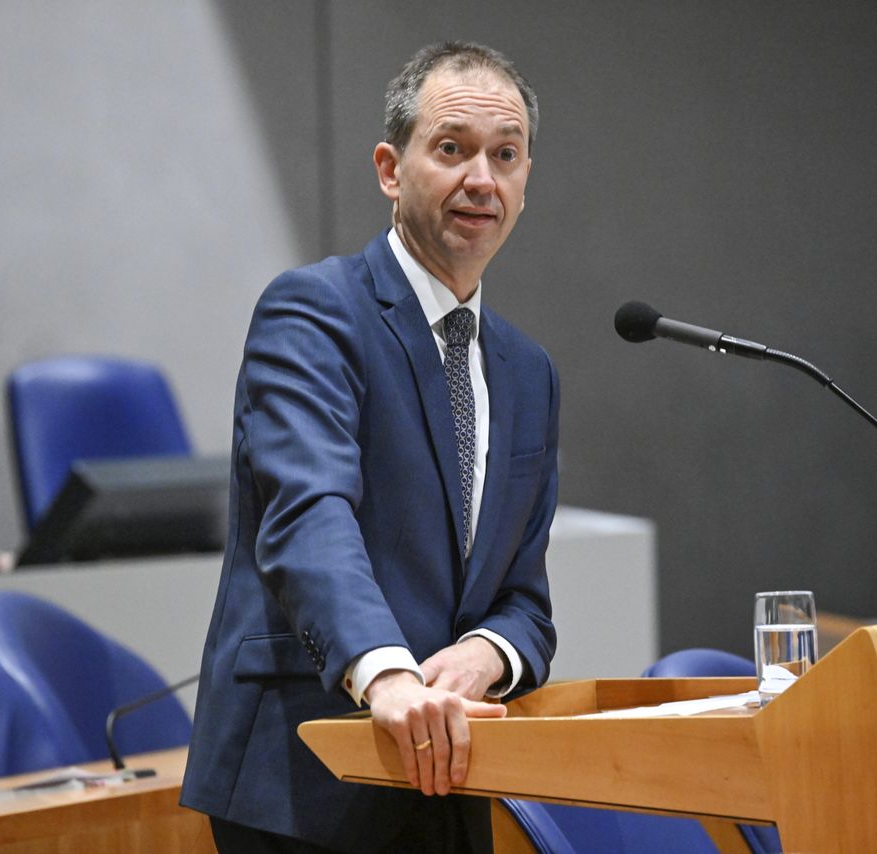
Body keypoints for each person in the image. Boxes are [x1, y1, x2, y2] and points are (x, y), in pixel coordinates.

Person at [182, 42, 559, 853]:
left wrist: (485, 656)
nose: (481, 181)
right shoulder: (314, 313)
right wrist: (387, 674)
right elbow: (308, 513)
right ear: (391, 169)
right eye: (451, 149)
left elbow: (524, 600)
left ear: (526, 181)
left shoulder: (529, 373)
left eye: (506, 156)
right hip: (306, 776)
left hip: (453, 780)